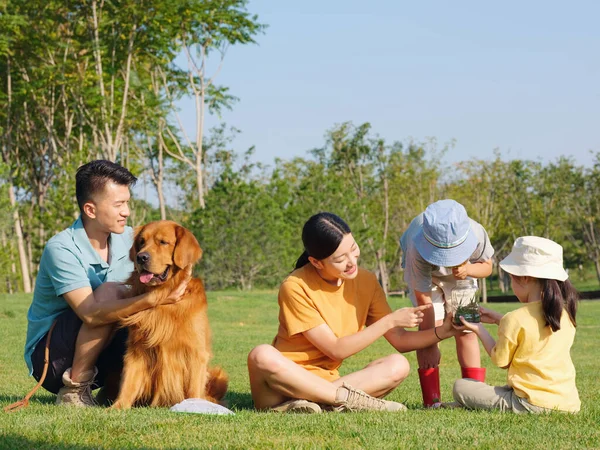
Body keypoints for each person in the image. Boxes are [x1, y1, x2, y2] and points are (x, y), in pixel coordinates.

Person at [247, 212, 461, 413]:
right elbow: (335, 349)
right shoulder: (294, 286)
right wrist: (388, 321)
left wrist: (444, 330)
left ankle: (319, 402)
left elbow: (401, 340)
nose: (351, 261)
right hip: (281, 386)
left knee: (398, 365)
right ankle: (346, 400)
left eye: (353, 248)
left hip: (327, 382)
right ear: (316, 262)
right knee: (261, 355)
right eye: (340, 259)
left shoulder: (366, 281)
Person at [24, 160, 188, 407]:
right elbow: (90, 314)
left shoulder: (132, 240)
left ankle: (153, 391)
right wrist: (153, 298)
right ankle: (74, 391)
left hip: (107, 344)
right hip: (54, 358)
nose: (126, 211)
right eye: (118, 204)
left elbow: (174, 259)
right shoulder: (62, 248)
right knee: (113, 291)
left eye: (127, 203)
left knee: (148, 317)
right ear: (90, 210)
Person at [452, 236, 580, 413]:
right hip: (568, 404)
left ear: (525, 277)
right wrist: (499, 319)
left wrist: (479, 329)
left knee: (461, 386)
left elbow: (501, 361)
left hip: (530, 403)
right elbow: (533, 332)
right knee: (493, 389)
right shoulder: (565, 315)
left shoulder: (515, 319)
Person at [400, 199, 494, 406]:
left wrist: (469, 269)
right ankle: (431, 401)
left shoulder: (476, 232)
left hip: (463, 277)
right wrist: (431, 340)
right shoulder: (416, 244)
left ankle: (474, 397)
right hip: (427, 279)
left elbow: (487, 267)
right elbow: (424, 300)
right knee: (429, 331)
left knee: (466, 330)